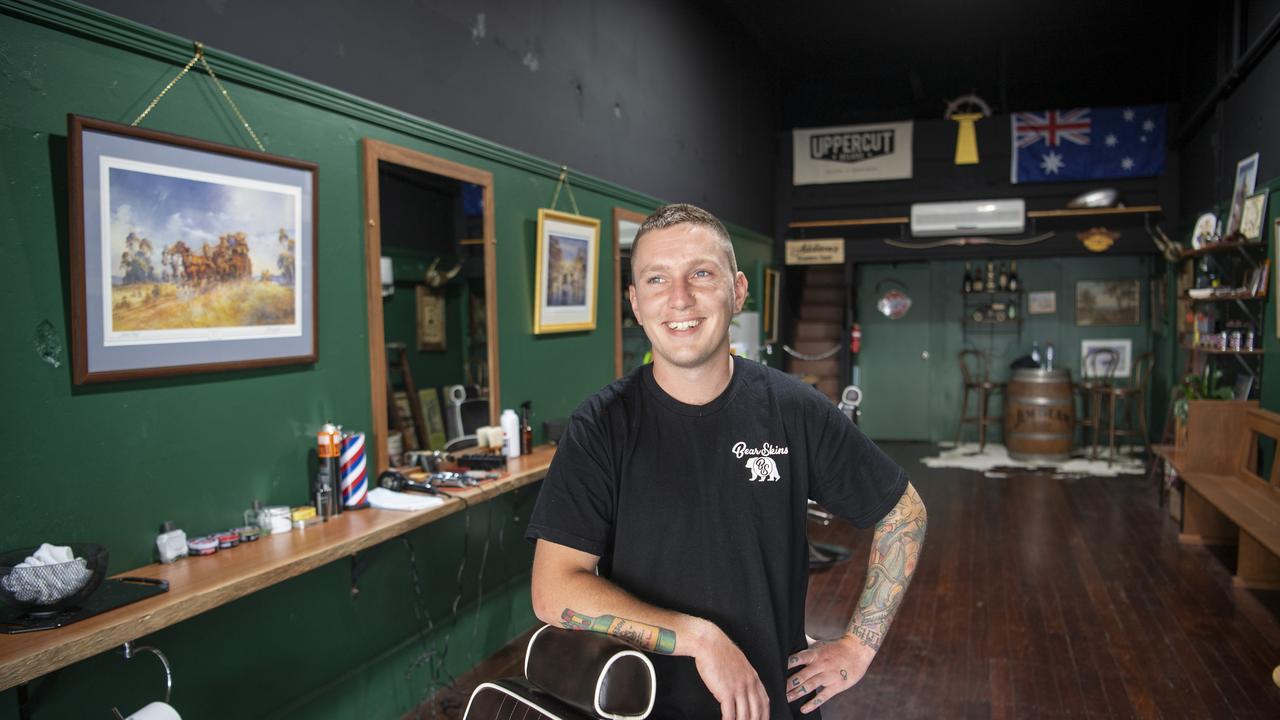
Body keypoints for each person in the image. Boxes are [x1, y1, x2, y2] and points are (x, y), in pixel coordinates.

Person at [526, 203, 927, 718]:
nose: (679, 298)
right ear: (634, 301)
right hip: (639, 705)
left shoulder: (793, 409)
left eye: (701, 274)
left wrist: (858, 647)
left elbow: (904, 510)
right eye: (655, 279)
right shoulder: (602, 425)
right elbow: (552, 589)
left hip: (773, 704)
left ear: (737, 290)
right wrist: (699, 638)